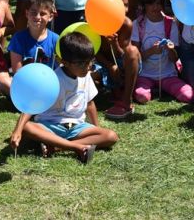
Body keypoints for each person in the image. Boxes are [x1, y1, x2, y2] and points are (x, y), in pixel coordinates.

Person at [10, 32, 119, 163]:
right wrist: (18, 130)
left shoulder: (86, 75)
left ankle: (56, 147)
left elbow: (89, 104)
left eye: (90, 61)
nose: (88, 66)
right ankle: (75, 146)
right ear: (64, 62)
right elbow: (31, 107)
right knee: (27, 127)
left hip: (77, 127)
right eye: (82, 63)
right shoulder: (52, 79)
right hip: (50, 126)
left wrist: (97, 129)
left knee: (111, 136)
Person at [130, 0, 194, 105]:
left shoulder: (170, 24)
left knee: (189, 96)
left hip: (168, 75)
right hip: (145, 75)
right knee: (142, 97)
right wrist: (151, 51)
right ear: (144, 4)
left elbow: (174, 58)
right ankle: (148, 88)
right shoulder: (138, 24)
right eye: (151, 3)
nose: (155, 7)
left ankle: (161, 88)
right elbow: (135, 58)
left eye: (158, 3)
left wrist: (171, 50)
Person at [92, 0, 140, 120]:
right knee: (87, 73)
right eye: (121, 5)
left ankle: (126, 100)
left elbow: (122, 55)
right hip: (102, 64)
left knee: (133, 51)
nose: (125, 10)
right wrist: (109, 66)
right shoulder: (93, 20)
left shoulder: (126, 24)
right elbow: (94, 51)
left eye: (127, 5)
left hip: (122, 65)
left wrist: (114, 44)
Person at [7, 0, 59, 71]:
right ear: (27, 13)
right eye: (34, 13)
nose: (38, 17)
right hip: (25, 81)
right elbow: (17, 71)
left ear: (50, 17)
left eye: (42, 14)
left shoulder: (56, 39)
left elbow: (59, 68)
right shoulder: (18, 38)